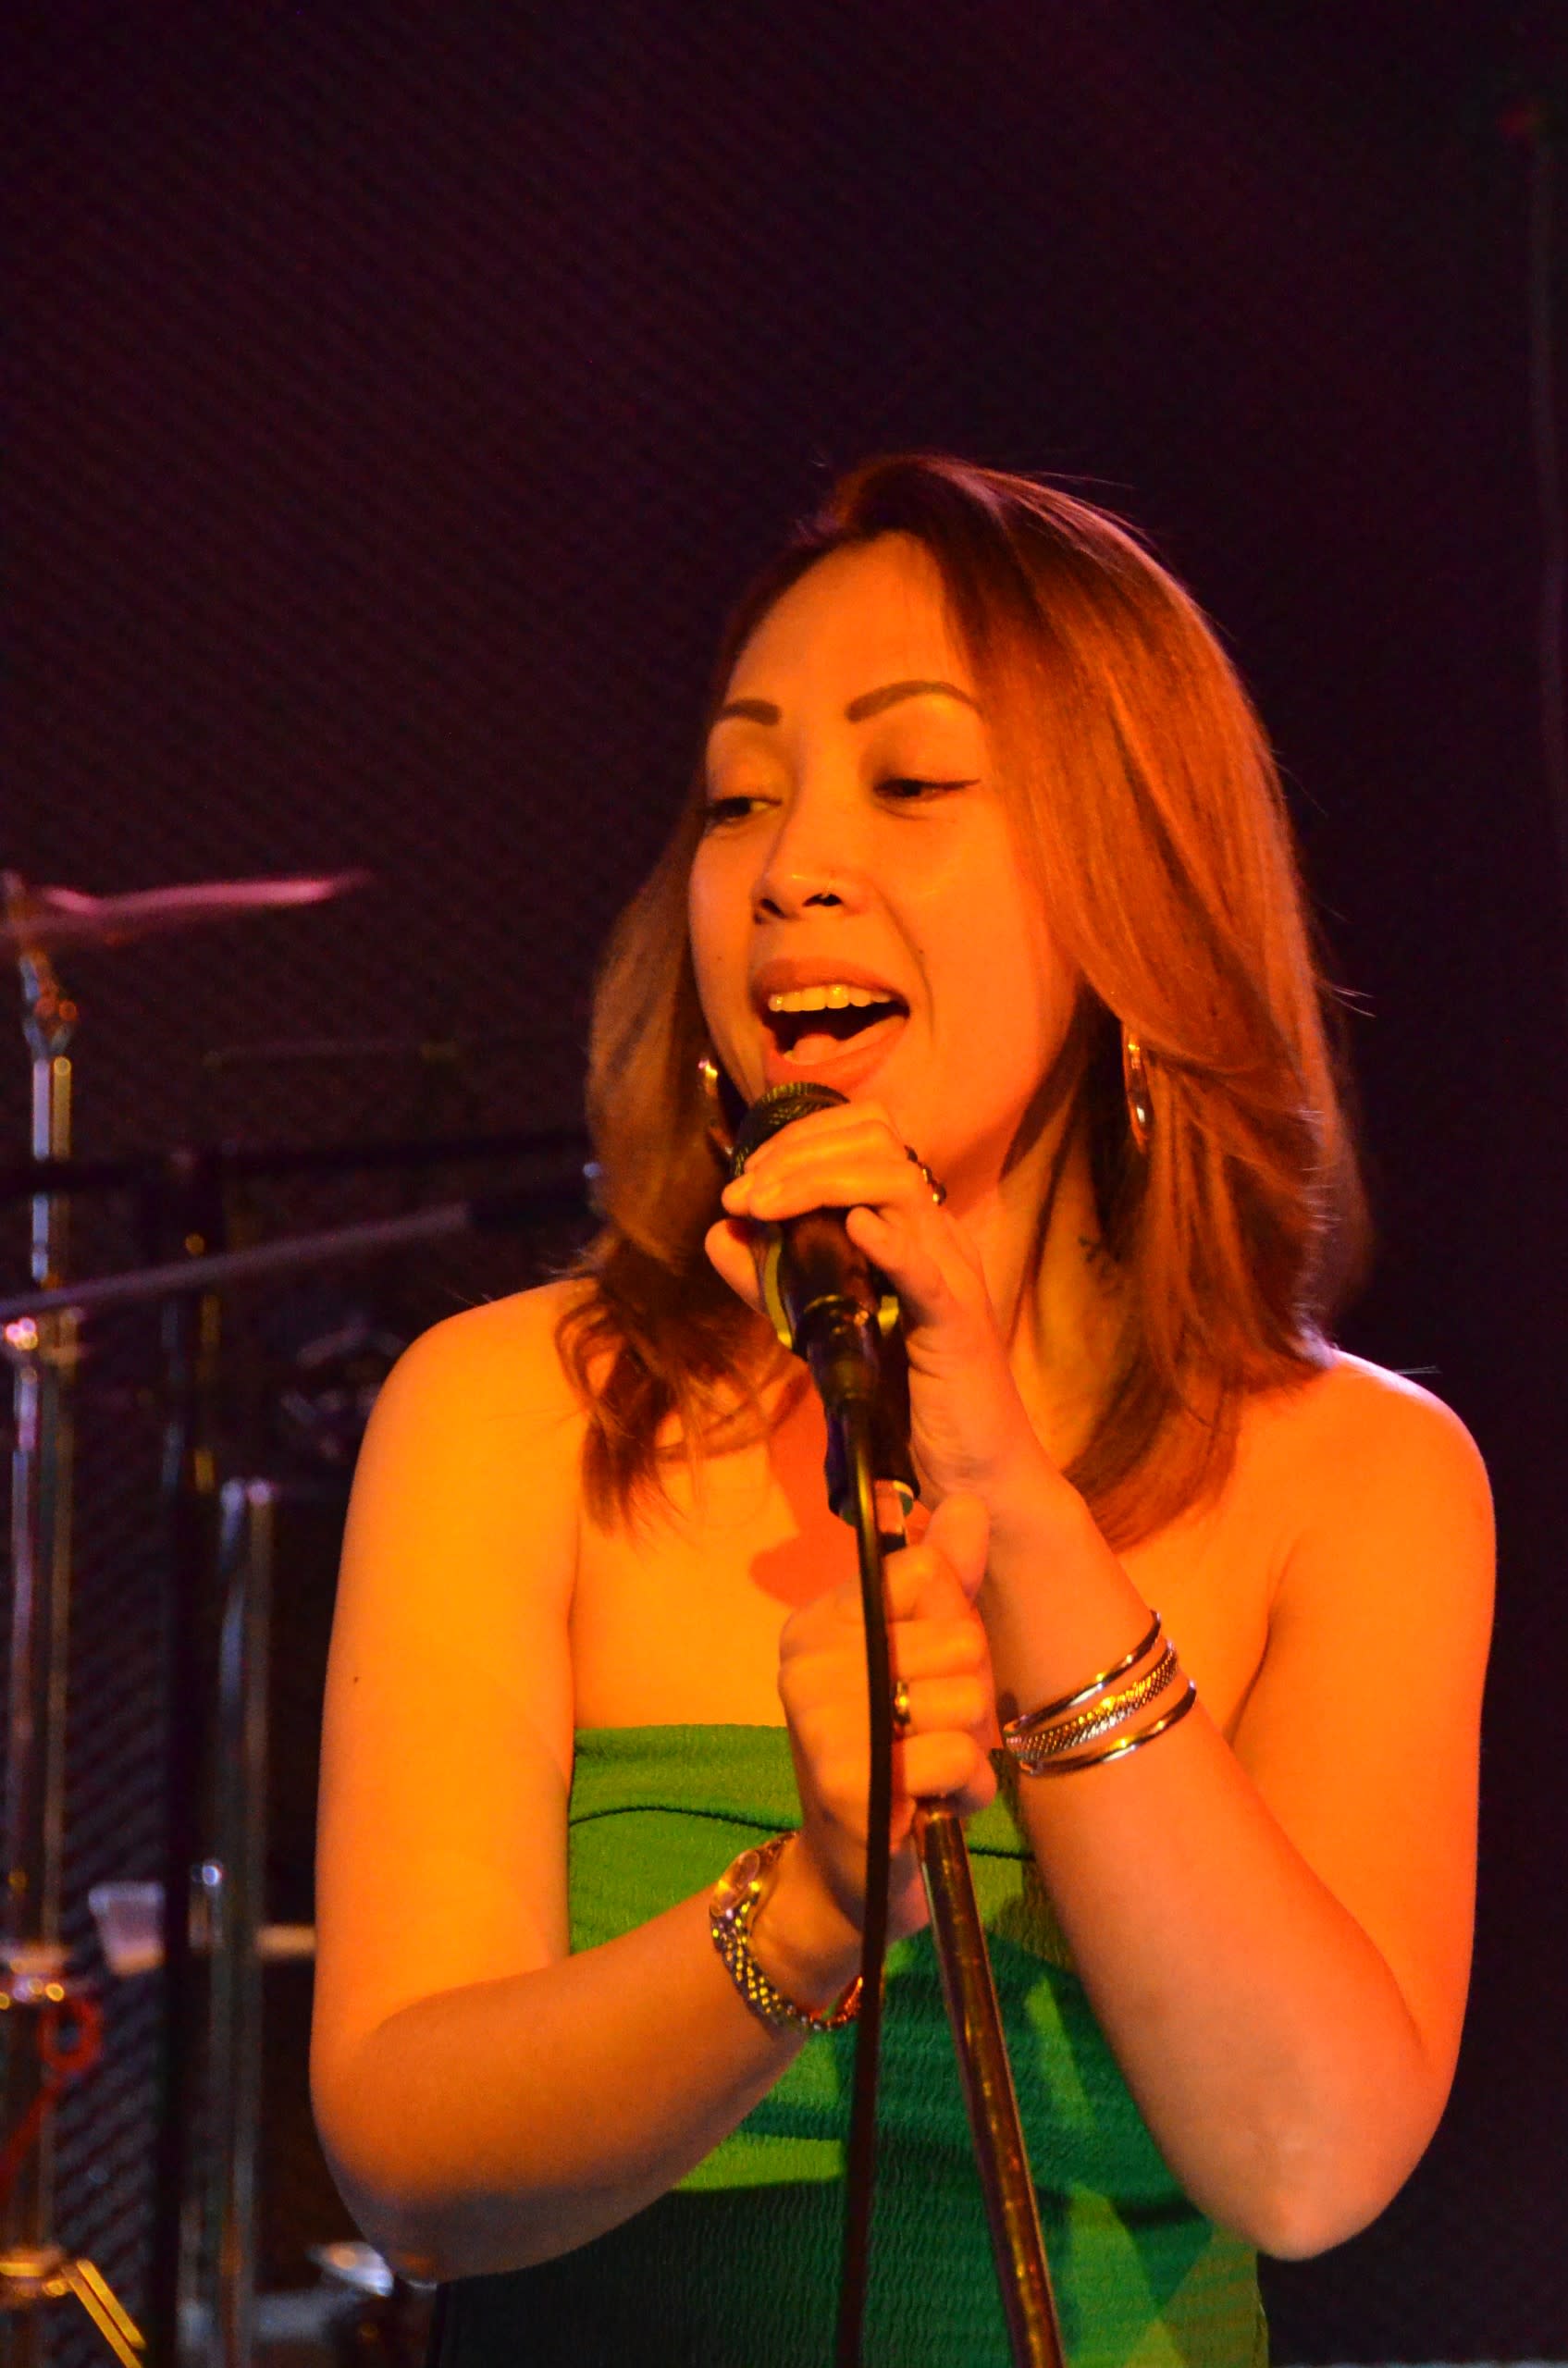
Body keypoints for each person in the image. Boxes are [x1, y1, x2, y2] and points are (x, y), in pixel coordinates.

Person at [310, 456, 1494, 2366]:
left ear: (1133, 881)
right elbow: (412, 2169)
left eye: (913, 779)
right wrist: (806, 1914)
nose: (791, 866)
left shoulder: (1358, 1476)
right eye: (739, 797)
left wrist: (1010, 1498)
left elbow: (1304, 2157)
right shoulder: (510, 1414)